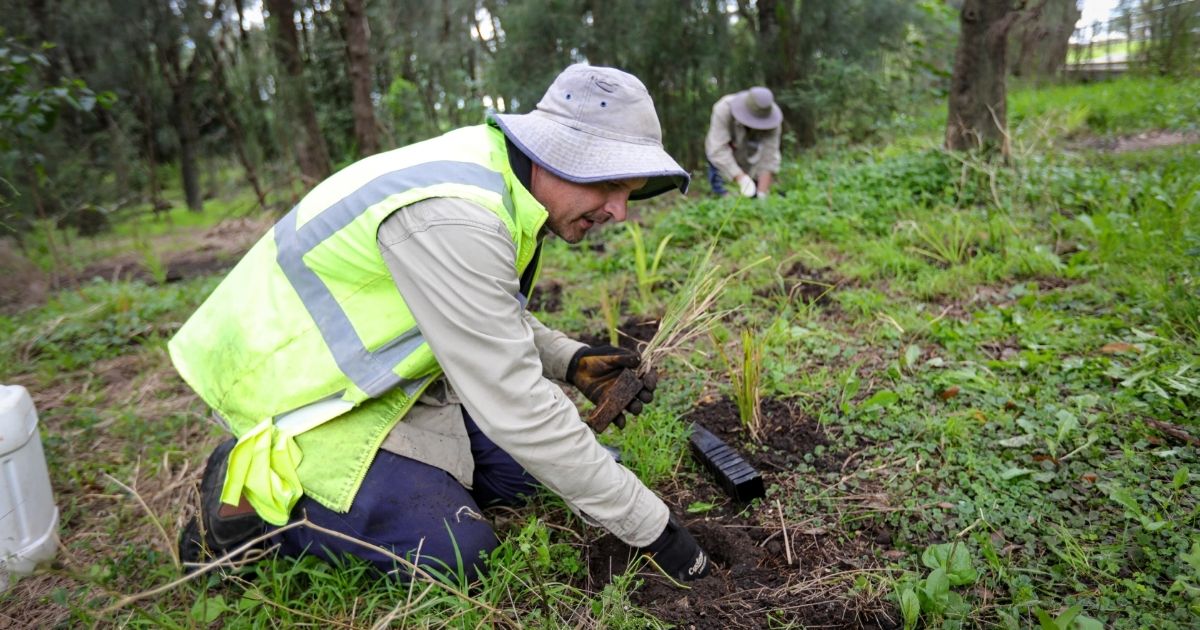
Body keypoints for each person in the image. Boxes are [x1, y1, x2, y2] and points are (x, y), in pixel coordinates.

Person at [169, 64, 711, 584]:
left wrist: (568, 359)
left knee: (537, 478)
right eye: (610, 186)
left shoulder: (502, 180)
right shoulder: (457, 215)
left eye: (629, 191)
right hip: (305, 400)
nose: (620, 210)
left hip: (391, 383)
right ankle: (253, 507)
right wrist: (656, 533)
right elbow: (517, 407)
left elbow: (484, 311)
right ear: (555, 154)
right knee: (458, 552)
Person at [704, 86, 783, 199]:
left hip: (750, 157)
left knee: (755, 195)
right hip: (724, 156)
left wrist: (762, 194)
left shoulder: (772, 119)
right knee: (724, 194)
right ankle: (721, 195)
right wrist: (740, 178)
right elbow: (717, 149)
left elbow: (769, 156)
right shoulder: (724, 109)